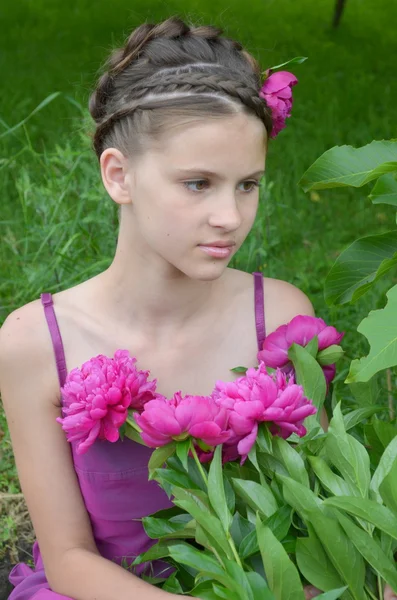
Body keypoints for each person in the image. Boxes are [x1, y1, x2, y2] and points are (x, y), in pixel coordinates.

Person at [0, 14, 395, 600]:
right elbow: (67, 557)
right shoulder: (38, 341)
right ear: (119, 175)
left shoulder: (280, 317)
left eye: (247, 184)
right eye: (197, 183)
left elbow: (319, 513)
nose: (231, 218)